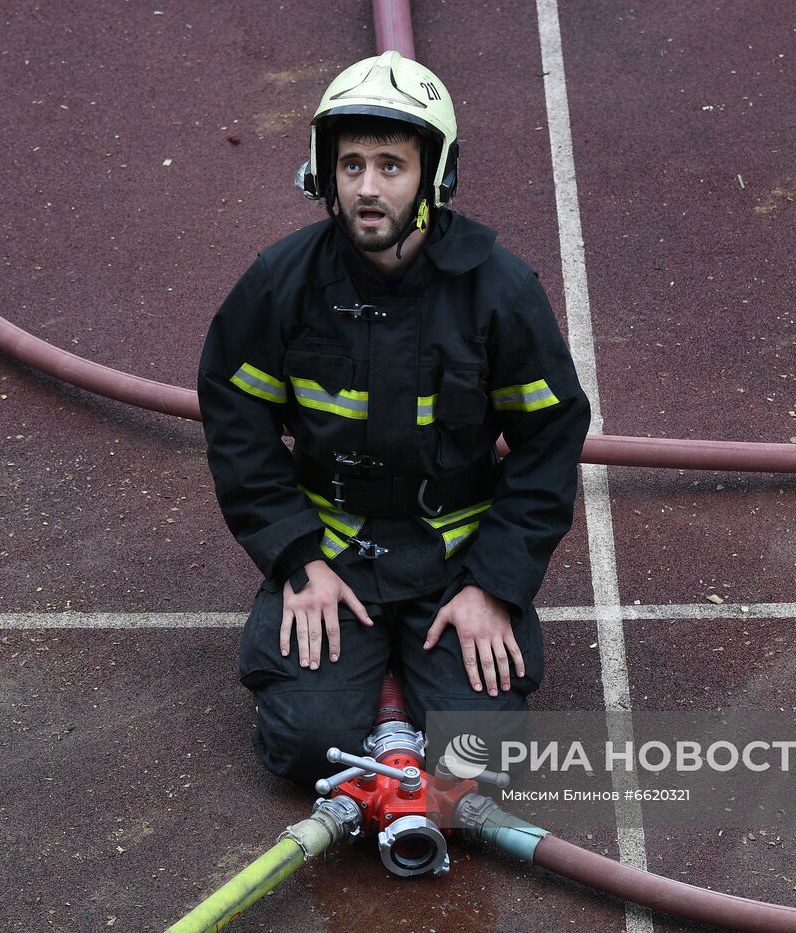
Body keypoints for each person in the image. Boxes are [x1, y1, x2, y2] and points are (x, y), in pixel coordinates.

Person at [198, 51, 590, 788]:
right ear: (325, 174)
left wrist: (494, 585)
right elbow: (235, 418)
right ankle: (350, 688)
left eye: (389, 165)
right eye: (350, 166)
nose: (367, 188)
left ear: (434, 177)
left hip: (456, 558)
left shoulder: (499, 292)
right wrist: (296, 559)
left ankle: (419, 668)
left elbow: (550, 441)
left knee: (483, 757)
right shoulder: (280, 284)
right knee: (306, 749)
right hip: (334, 549)